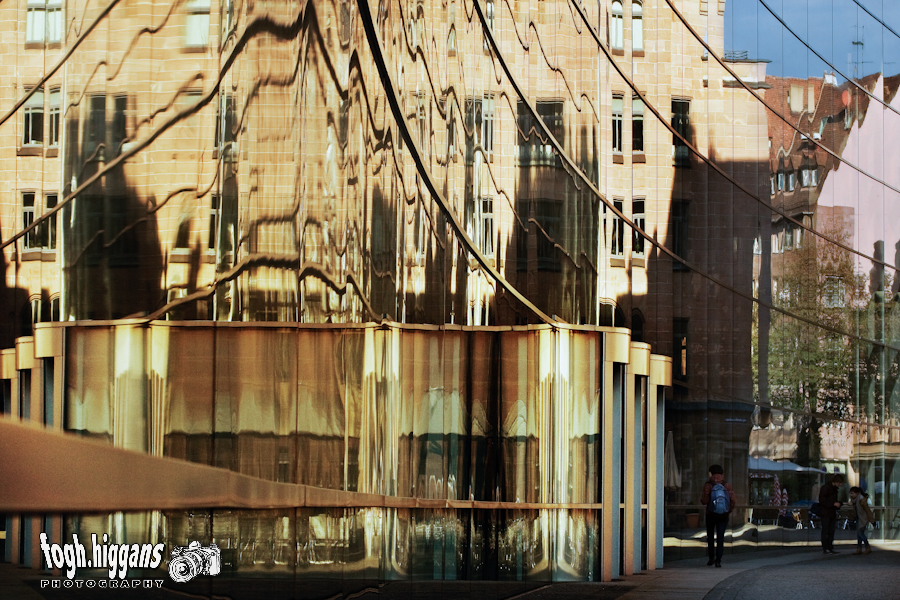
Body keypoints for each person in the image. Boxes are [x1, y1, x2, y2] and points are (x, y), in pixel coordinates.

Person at [701, 464, 736, 567]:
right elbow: (733, 500)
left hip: (711, 514)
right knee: (720, 537)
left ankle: (711, 558)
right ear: (722, 474)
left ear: (710, 473)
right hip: (723, 515)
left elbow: (704, 500)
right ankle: (718, 560)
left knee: (710, 536)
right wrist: (728, 510)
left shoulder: (708, 485)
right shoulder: (727, 485)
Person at [818, 473, 844, 554]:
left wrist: (837, 504)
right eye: (839, 483)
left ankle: (829, 547)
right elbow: (822, 501)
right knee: (826, 530)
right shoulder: (827, 488)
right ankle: (826, 548)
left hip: (831, 512)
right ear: (835, 482)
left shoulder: (832, 489)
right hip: (826, 513)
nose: (839, 485)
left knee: (831, 531)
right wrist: (833, 504)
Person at [849, 486, 875, 555]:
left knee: (860, 533)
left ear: (857, 493)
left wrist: (872, 520)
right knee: (859, 534)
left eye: (852, 493)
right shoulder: (855, 500)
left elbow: (868, 511)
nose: (851, 495)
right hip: (858, 518)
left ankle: (867, 547)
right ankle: (859, 548)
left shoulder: (862, 500)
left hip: (863, 518)